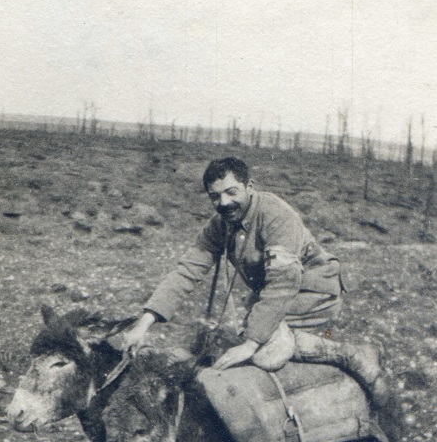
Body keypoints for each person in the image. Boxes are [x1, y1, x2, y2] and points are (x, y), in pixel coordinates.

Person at [122, 156, 387, 404]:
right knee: (240, 342)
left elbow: (284, 282)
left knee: (266, 354)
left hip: (313, 290)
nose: (223, 203)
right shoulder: (221, 223)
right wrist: (143, 324)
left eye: (231, 192)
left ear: (249, 186)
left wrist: (251, 343)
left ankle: (351, 355)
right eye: (215, 196)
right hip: (273, 292)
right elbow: (187, 271)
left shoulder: (275, 215)